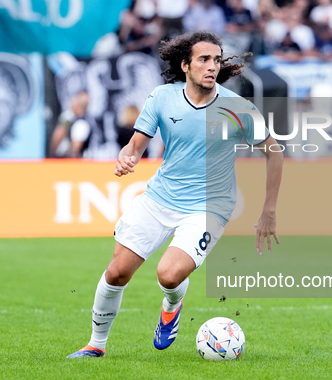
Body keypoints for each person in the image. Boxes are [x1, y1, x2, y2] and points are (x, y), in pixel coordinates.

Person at [67, 31, 283, 358]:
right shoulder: (162, 98)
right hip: (160, 198)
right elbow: (136, 145)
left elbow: (275, 152)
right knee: (117, 272)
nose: (213, 66)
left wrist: (269, 210)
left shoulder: (237, 107)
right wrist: (128, 156)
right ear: (185, 65)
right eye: (204, 59)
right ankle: (95, 346)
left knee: (169, 275)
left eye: (217, 59)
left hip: (209, 207)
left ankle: (172, 304)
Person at [49, 91, 90, 158]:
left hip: (69, 162)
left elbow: (74, 151)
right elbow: (58, 135)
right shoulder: (69, 117)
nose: (71, 102)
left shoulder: (80, 124)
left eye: (74, 101)